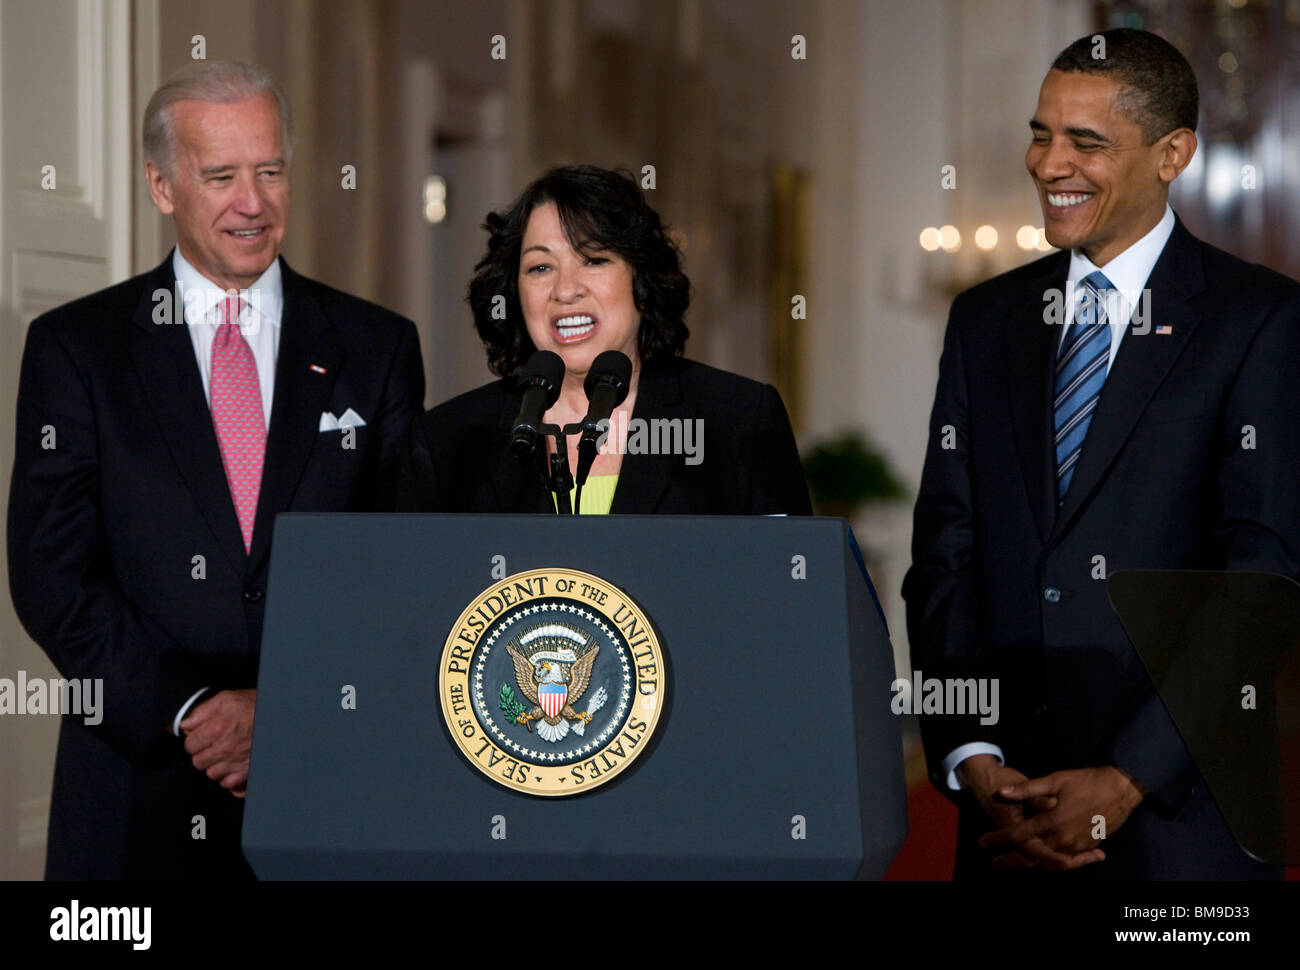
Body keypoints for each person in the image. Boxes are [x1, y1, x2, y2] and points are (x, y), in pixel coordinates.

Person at [7, 61, 425, 879]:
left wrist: (288, 712)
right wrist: (194, 711)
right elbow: (51, 573)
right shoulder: (77, 349)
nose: (253, 202)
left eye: (270, 171)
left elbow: (403, 569)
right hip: (133, 794)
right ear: (162, 187)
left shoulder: (375, 347)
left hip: (327, 785)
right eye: (223, 176)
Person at [903, 28, 1299, 879]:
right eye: (1041, 134)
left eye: (1086, 142)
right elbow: (946, 553)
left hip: (1181, 827)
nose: (1050, 164)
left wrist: (1125, 780)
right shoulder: (986, 320)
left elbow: (1263, 578)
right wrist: (972, 748)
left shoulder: (1259, 320)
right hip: (1005, 817)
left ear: (1172, 153)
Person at [398, 165, 810, 517]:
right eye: (540, 267)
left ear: (642, 283)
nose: (566, 289)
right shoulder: (449, 441)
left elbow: (792, 593)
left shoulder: (737, 422)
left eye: (594, 260)